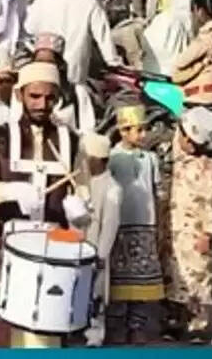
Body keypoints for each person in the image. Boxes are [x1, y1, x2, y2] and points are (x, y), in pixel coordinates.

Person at [0, 61, 91, 348]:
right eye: (35, 96)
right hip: (3, 246)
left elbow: (83, 192)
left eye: (49, 98)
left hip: (52, 248)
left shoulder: (70, 139)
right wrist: (9, 190)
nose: (42, 104)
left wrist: (80, 211)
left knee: (44, 335)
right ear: (19, 95)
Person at [162, 107, 212, 343]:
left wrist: (207, 233)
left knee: (198, 276)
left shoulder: (207, 168)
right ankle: (175, 320)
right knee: (175, 274)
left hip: (196, 231)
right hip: (175, 230)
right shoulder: (178, 162)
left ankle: (198, 325)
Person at [107, 104, 164, 343]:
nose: (142, 135)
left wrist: (159, 222)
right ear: (123, 131)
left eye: (144, 130)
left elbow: (157, 191)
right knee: (116, 276)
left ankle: (136, 325)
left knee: (142, 276)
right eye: (137, 130)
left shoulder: (151, 159)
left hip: (145, 224)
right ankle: (116, 325)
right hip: (119, 225)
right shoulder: (112, 158)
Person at [24, 0, 120, 86]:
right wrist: (114, 63)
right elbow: (103, 36)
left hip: (44, 71)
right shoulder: (89, 1)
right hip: (74, 74)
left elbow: (28, 29)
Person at [81, 132, 123, 347]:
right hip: (78, 246)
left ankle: (95, 334)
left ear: (98, 159)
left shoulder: (113, 188)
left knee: (95, 293)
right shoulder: (83, 181)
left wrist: (101, 255)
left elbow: (110, 225)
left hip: (97, 249)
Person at [173, 0, 212, 106]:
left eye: (194, 10)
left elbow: (182, 61)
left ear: (200, 11)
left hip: (201, 95)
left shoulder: (207, 35)